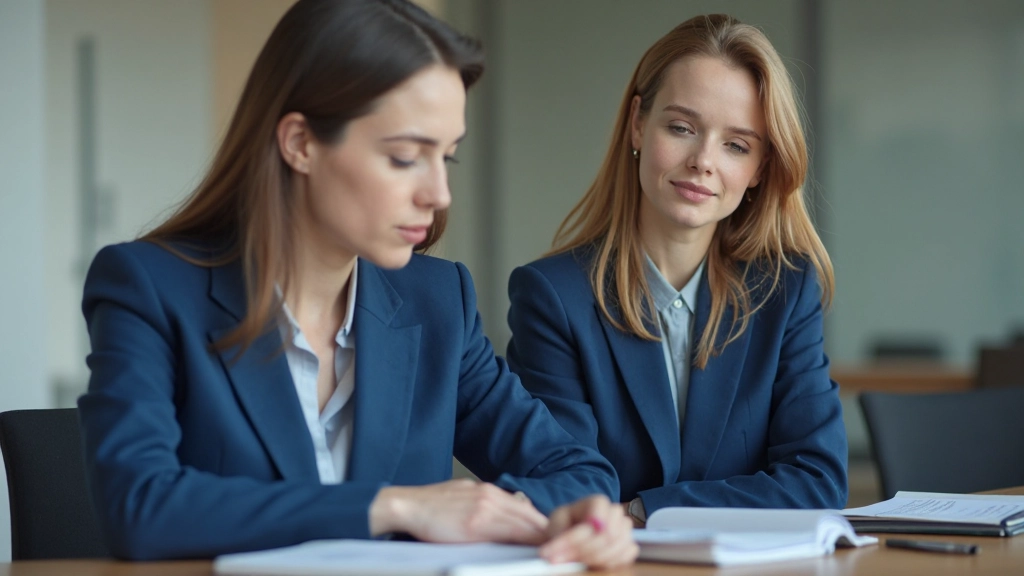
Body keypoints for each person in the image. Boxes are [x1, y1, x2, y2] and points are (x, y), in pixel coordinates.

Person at [79, 0, 636, 566]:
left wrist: (571, 518)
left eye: (448, 158)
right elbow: (138, 508)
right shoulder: (147, 286)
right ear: (300, 143)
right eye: (404, 157)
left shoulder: (439, 300)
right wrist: (393, 507)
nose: (439, 194)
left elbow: (578, 472)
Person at [506, 14, 848, 526]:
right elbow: (563, 486)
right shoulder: (553, 296)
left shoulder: (786, 290)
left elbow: (818, 481)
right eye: (682, 128)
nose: (703, 161)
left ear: (758, 169)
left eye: (736, 145)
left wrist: (647, 510)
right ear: (638, 123)